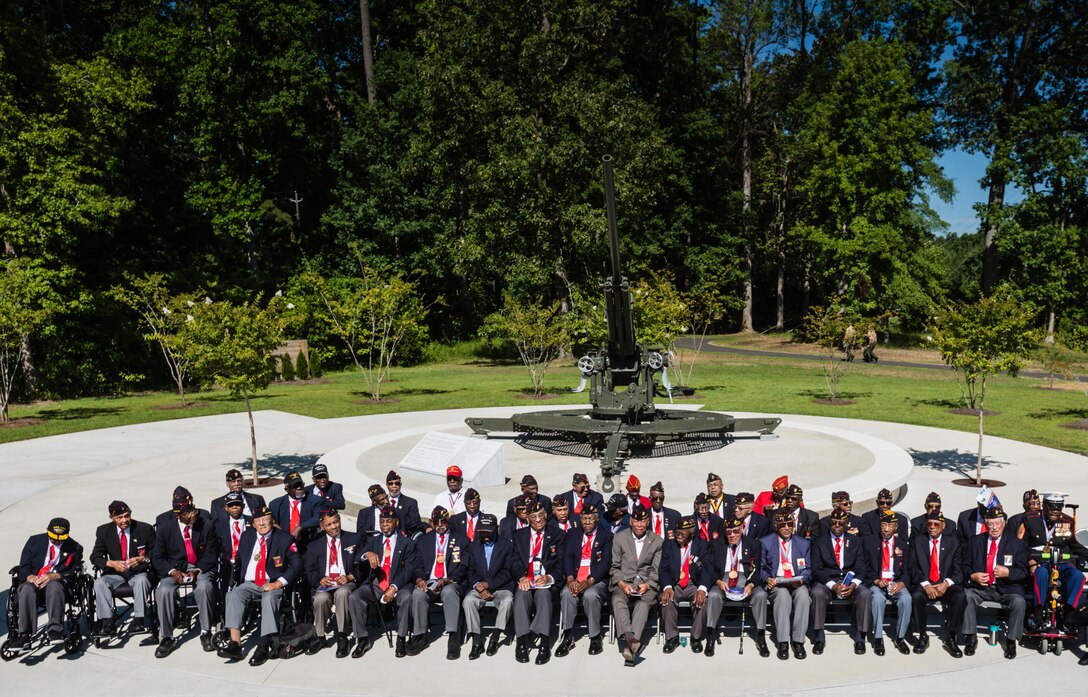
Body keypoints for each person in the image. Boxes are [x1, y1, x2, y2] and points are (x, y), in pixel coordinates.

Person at [218, 505, 302, 665]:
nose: (262, 523)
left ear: (272, 521)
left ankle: (263, 645)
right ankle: (235, 644)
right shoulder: (247, 536)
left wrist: (279, 583)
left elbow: (297, 564)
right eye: (258, 520)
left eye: (265, 519)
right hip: (250, 583)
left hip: (272, 583)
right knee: (234, 594)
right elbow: (240, 561)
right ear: (253, 524)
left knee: (269, 598)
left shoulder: (284, 539)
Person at [152, 494, 220, 657]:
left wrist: (197, 571)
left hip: (200, 567)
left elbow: (212, 553)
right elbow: (158, 557)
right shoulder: (164, 529)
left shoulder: (206, 525)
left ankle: (205, 631)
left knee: (204, 587)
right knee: (163, 591)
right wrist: (173, 572)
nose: (193, 515)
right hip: (174, 569)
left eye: (193, 511)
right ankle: (167, 637)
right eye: (187, 514)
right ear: (177, 515)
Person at [348, 505, 417, 658]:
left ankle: (401, 638)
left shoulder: (407, 543)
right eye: (382, 521)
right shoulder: (374, 541)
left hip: (400, 585)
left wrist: (394, 587)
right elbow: (358, 556)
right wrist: (367, 554)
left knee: (406, 598)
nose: (385, 524)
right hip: (378, 584)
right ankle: (363, 639)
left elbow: (409, 570)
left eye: (389, 521)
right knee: (355, 597)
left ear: (396, 522)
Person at [960, 507, 1027, 659]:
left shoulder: (1016, 544)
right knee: (966, 596)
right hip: (981, 587)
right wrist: (972, 576)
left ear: (1004, 523)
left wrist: (1008, 573)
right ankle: (971, 637)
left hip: (1006, 588)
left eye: (998, 523)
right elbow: (964, 566)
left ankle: (1011, 640)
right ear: (985, 524)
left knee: (1019, 602)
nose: (994, 527)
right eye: (990, 524)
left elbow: (1023, 572)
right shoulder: (975, 541)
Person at [12, 518, 83, 651]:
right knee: (27, 589)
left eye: (60, 538)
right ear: (48, 531)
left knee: (54, 585)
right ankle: (24, 635)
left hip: (57, 584)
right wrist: (30, 576)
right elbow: (23, 567)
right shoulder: (34, 541)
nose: (56, 541)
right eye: (53, 537)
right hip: (34, 582)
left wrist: (56, 576)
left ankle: (55, 630)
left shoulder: (75, 548)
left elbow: (75, 572)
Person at [704, 515, 770, 657]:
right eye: (729, 532)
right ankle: (710, 634)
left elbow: (757, 569)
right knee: (714, 595)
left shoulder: (753, 544)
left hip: (746, 578)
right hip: (724, 578)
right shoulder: (716, 544)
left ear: (742, 528)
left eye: (735, 531)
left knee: (760, 595)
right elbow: (710, 569)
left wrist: (751, 584)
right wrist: (718, 582)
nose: (732, 535)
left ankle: (760, 635)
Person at [410, 506, 470, 659]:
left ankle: (453, 636)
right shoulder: (423, 540)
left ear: (448, 521)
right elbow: (417, 564)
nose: (440, 525)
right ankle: (420, 635)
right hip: (429, 581)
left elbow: (464, 566)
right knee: (418, 594)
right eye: (437, 522)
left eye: (444, 521)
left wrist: (449, 579)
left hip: (450, 580)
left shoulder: (461, 540)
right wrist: (419, 579)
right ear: (431, 522)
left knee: (449, 592)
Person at [810, 507, 872, 655]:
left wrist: (853, 584)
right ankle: (819, 635)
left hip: (851, 581)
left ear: (846, 524)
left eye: (841, 523)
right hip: (829, 580)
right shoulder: (819, 541)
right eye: (834, 522)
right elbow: (817, 569)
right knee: (817, 593)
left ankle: (860, 636)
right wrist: (834, 586)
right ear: (829, 523)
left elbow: (862, 567)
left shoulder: (856, 541)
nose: (837, 525)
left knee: (865, 594)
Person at [90, 500, 154, 636]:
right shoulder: (103, 531)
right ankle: (107, 622)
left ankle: (139, 619)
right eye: (119, 518)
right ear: (111, 518)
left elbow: (156, 551)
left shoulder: (144, 529)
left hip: (138, 572)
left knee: (142, 581)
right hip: (115, 573)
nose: (124, 520)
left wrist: (142, 558)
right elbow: (95, 556)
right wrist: (111, 563)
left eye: (127, 515)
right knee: (99, 583)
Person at [510, 500, 563, 665]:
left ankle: (544, 642)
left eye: (541, 515)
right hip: (527, 579)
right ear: (527, 518)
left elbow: (562, 563)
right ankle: (522, 641)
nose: (539, 520)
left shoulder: (557, 535)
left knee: (543, 594)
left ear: (546, 515)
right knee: (521, 594)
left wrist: (550, 577)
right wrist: (521, 577)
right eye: (534, 516)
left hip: (545, 581)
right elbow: (514, 561)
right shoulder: (518, 536)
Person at [556, 504, 612, 658]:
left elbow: (606, 563)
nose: (587, 522)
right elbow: (567, 557)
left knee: (590, 595)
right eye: (584, 519)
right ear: (580, 519)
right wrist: (570, 578)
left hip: (596, 579)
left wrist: (590, 581)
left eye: (590, 519)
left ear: (596, 519)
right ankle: (568, 636)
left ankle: (595, 636)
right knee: (567, 594)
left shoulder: (606, 536)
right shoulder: (572, 534)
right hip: (575, 577)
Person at [1022, 493, 1088, 624]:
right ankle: (1038, 612)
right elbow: (1022, 545)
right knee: (1040, 574)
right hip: (1040, 561)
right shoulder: (1031, 519)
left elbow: (1073, 544)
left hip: (1062, 561)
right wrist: (1030, 561)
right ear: (1044, 506)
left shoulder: (1067, 521)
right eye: (1051, 508)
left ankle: (1069, 613)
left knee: (1078, 576)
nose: (1055, 512)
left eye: (1058, 509)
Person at [609, 505, 663, 666]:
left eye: (643, 521)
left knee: (643, 605)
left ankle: (631, 646)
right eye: (636, 521)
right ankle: (631, 638)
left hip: (645, 586)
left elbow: (656, 570)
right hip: (624, 583)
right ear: (631, 521)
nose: (639, 525)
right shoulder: (619, 538)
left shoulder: (657, 541)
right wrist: (622, 584)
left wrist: (648, 585)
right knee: (618, 602)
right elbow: (614, 567)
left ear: (647, 522)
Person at [908, 510, 966, 657]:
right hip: (925, 584)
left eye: (936, 524)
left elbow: (959, 571)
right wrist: (926, 584)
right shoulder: (918, 541)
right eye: (929, 524)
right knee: (916, 596)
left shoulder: (953, 543)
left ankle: (951, 637)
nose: (932, 527)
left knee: (960, 596)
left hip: (944, 585)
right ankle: (922, 635)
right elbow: (912, 568)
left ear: (943, 526)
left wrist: (946, 583)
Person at [304, 508, 360, 658]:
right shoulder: (314, 544)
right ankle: (320, 637)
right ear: (322, 527)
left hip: (346, 582)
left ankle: (342, 636)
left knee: (342, 593)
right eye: (329, 524)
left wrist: (350, 576)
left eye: (336, 522)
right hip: (326, 583)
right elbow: (310, 571)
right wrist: (319, 579)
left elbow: (362, 565)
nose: (334, 526)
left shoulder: (353, 539)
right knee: (320, 599)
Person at [761, 508, 812, 660]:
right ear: (777, 525)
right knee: (783, 596)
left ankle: (798, 641)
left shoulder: (803, 544)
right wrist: (766, 578)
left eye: (790, 524)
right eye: (783, 525)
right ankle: (783, 641)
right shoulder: (766, 542)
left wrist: (803, 578)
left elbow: (809, 569)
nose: (787, 528)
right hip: (777, 582)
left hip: (796, 580)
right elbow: (761, 567)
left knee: (803, 595)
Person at [462, 513, 515, 659]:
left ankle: (495, 636)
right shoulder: (473, 546)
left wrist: (489, 584)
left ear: (496, 529)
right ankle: (477, 641)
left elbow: (508, 572)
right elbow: (470, 570)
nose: (485, 535)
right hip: (479, 587)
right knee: (468, 601)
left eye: (489, 532)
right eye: (482, 532)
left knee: (507, 601)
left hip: (501, 586)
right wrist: (478, 586)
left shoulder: (507, 545)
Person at [863, 510, 912, 656]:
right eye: (883, 525)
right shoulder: (870, 542)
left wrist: (902, 583)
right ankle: (878, 638)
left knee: (906, 599)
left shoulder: (903, 545)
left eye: (889, 525)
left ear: (895, 527)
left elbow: (909, 570)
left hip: (896, 582)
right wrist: (876, 580)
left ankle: (900, 637)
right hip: (877, 583)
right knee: (877, 599)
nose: (886, 529)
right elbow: (864, 567)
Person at [658, 516, 709, 654]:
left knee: (701, 601)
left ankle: (696, 637)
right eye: (677, 533)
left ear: (692, 534)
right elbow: (663, 569)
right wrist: (667, 587)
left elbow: (707, 569)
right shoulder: (669, 545)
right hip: (675, 582)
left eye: (682, 534)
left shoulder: (703, 545)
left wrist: (702, 589)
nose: (678, 536)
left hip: (694, 583)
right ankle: (672, 637)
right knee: (666, 600)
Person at [270, 471, 321, 547]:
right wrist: (274, 524)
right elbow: (270, 520)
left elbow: (318, 518)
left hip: (308, 543)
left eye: (300, 484)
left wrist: (299, 527)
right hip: (285, 544)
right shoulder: (275, 504)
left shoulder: (315, 500)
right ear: (286, 489)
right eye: (295, 486)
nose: (299, 487)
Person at [386, 470, 423, 535]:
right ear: (387, 485)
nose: (394, 486)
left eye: (397, 483)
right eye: (391, 483)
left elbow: (415, 523)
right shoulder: (382, 501)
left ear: (400, 485)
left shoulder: (411, 503)